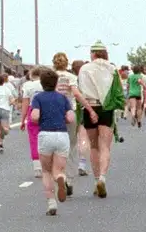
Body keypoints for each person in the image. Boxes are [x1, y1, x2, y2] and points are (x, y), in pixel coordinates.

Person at [76, 42, 120, 198]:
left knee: (94, 146)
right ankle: (102, 177)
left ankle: (96, 180)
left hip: (90, 106)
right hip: (106, 108)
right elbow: (117, 91)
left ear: (93, 54)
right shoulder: (112, 69)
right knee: (105, 146)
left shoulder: (84, 69)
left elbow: (80, 90)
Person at [29, 69, 76, 215]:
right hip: (62, 135)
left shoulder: (38, 98)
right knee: (59, 170)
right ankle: (61, 179)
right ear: (56, 83)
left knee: (46, 171)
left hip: (45, 135)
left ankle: (51, 203)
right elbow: (70, 118)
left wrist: (36, 118)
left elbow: (35, 116)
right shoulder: (63, 98)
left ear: (42, 83)